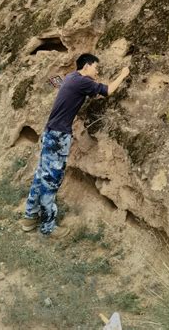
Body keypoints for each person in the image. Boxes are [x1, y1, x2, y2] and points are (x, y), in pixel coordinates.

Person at [19, 53, 130, 236]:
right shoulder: (82, 82)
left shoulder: (71, 78)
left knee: (41, 176)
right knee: (51, 181)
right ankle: (47, 227)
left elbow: (54, 82)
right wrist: (123, 74)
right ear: (86, 66)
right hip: (59, 136)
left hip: (49, 132)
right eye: (95, 67)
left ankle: (29, 218)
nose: (97, 70)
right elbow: (108, 91)